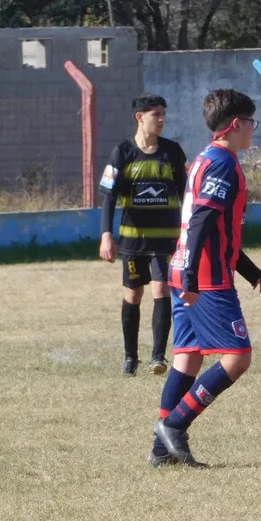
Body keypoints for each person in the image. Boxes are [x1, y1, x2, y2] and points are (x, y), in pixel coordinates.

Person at [150, 89, 261, 467]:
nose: (254, 129)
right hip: (204, 276)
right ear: (235, 125)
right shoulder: (222, 163)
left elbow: (215, 225)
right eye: (251, 123)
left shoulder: (204, 158)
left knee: (187, 357)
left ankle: (160, 452)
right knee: (238, 357)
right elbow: (202, 218)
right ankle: (175, 425)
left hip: (186, 267)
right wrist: (191, 276)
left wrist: (247, 268)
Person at [99, 93, 187, 377]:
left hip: (165, 240)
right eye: (156, 114)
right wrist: (106, 236)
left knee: (161, 290)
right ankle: (130, 357)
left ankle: (158, 357)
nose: (162, 120)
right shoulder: (122, 153)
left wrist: (189, 230)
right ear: (140, 117)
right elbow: (109, 198)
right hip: (133, 241)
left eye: (163, 114)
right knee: (133, 295)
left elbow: (186, 194)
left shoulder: (172, 152)